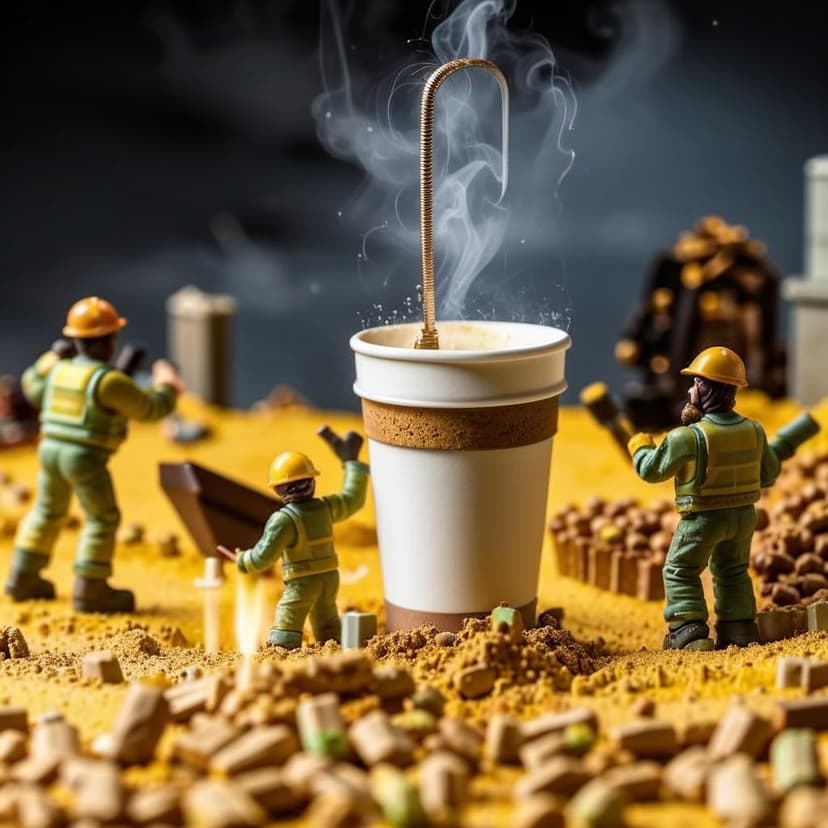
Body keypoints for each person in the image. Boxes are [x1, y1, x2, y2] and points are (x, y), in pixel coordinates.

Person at [5, 296, 184, 612]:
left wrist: (51, 356)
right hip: (83, 457)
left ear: (73, 339)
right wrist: (168, 386)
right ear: (111, 340)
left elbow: (31, 386)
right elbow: (150, 409)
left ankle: (23, 575)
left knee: (47, 512)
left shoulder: (58, 370)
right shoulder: (108, 381)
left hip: (49, 451)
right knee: (103, 518)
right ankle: (91, 589)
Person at [628, 346, 781, 651]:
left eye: (695, 382)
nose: (689, 389)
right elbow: (769, 474)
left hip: (703, 519)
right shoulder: (754, 430)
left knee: (679, 569)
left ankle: (688, 631)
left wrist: (640, 447)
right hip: (743, 517)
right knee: (733, 570)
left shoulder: (686, 437)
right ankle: (738, 629)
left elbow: (651, 470)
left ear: (703, 388)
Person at [225, 427, 369, 649]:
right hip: (329, 578)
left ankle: (283, 652)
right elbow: (353, 498)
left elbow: (264, 555)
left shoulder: (283, 520)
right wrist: (352, 463)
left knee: (288, 617)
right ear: (312, 481)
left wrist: (243, 560)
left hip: (302, 582)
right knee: (327, 618)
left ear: (278, 488)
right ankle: (333, 647)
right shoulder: (326, 508)